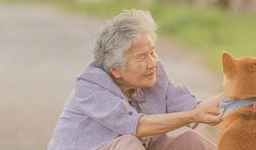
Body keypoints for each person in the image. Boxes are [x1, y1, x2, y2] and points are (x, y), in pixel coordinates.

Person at [48, 9, 223, 149]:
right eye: (141, 57)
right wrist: (193, 116)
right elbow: (136, 126)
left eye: (152, 52)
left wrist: (241, 93)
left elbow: (198, 109)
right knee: (128, 143)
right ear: (115, 70)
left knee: (190, 142)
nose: (152, 62)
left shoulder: (153, 76)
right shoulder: (89, 85)